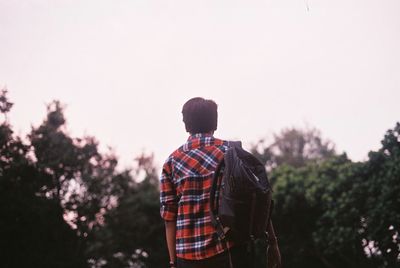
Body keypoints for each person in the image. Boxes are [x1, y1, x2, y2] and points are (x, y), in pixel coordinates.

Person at [159, 97, 281, 268]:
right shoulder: (232, 153)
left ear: (186, 125)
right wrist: (273, 243)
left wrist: (173, 262)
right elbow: (258, 198)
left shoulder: (171, 162)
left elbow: (169, 218)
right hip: (228, 251)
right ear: (215, 123)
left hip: (186, 257)